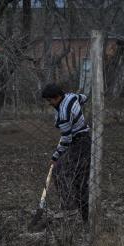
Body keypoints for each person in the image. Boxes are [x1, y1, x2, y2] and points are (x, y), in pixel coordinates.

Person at [41, 83, 91, 223]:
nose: (49, 103)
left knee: (59, 170)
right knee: (79, 179)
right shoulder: (71, 97)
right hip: (82, 139)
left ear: (57, 97)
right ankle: (85, 217)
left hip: (79, 142)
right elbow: (84, 98)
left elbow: (66, 139)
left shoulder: (64, 114)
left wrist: (55, 156)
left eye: (50, 100)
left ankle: (69, 208)